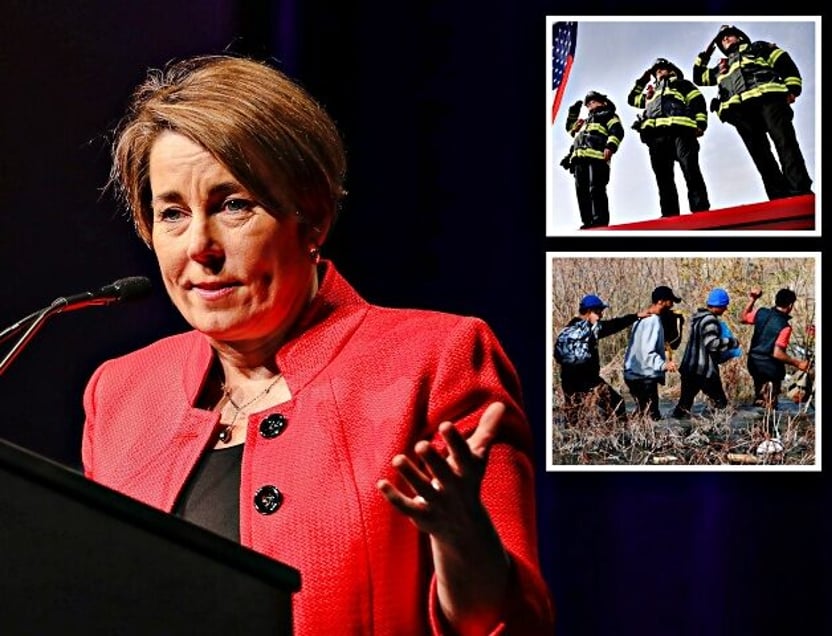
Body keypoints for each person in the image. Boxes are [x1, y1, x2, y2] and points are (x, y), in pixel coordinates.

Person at [80, 54, 554, 635]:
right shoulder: (122, 393)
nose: (199, 245)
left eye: (234, 205)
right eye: (172, 213)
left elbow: (509, 624)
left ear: (314, 217)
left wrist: (462, 541)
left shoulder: (437, 359)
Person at [692, 24, 813, 200]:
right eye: (721, 39)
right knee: (760, 154)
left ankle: (800, 191)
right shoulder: (720, 67)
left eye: (728, 35)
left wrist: (793, 89)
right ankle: (778, 196)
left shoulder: (758, 47)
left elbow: (784, 63)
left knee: (785, 143)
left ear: (739, 37)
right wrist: (706, 53)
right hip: (740, 111)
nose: (725, 39)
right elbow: (698, 77)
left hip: (769, 98)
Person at [628, 58, 710, 217]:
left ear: (671, 70)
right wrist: (641, 82)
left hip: (682, 131)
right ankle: (669, 215)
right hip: (657, 138)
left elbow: (698, 102)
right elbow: (632, 99)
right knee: (663, 179)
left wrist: (701, 123)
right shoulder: (651, 93)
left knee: (690, 170)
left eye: (662, 68)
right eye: (656, 71)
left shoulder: (683, 85)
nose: (658, 71)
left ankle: (700, 210)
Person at [554, 294, 647, 424]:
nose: (602, 315)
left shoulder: (568, 328)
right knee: (617, 403)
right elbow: (615, 324)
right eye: (599, 312)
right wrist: (636, 316)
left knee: (573, 414)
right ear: (590, 312)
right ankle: (620, 434)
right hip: (589, 380)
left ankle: (571, 439)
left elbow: (558, 356)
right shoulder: (592, 328)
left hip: (567, 380)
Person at [671, 288, 740, 419]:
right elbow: (712, 344)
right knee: (721, 404)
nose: (725, 309)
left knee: (684, 404)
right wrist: (732, 342)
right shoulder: (710, 320)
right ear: (719, 305)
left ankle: (676, 428)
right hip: (704, 371)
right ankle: (717, 431)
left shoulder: (698, 318)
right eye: (724, 306)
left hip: (689, 369)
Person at [739, 286, 810, 408]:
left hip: (753, 363)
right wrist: (798, 363)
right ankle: (767, 421)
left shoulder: (761, 312)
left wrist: (752, 299)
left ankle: (757, 422)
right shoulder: (785, 326)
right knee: (770, 402)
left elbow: (743, 318)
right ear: (790, 306)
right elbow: (777, 353)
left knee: (760, 398)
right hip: (770, 368)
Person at [567, 90, 625, 229]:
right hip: (580, 160)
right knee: (582, 191)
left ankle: (600, 221)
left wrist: (610, 146)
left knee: (596, 189)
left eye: (592, 101)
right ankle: (588, 223)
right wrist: (573, 113)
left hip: (598, 158)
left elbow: (617, 130)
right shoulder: (585, 122)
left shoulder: (608, 115)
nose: (589, 105)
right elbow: (571, 131)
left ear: (603, 102)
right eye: (587, 104)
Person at [622, 286, 680, 420]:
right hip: (643, 376)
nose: (672, 305)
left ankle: (633, 433)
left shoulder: (642, 318)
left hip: (633, 373)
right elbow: (646, 352)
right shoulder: (652, 321)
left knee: (644, 413)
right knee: (652, 417)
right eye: (670, 301)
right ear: (660, 301)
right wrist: (663, 365)